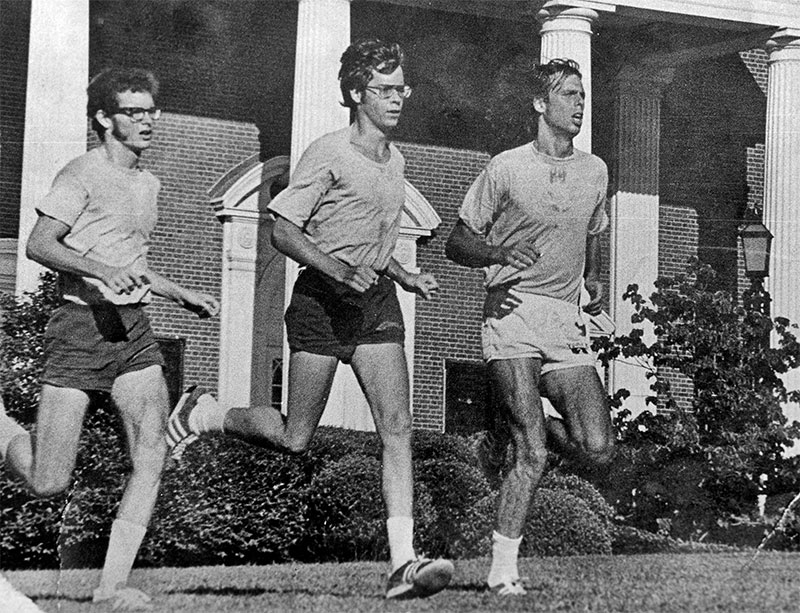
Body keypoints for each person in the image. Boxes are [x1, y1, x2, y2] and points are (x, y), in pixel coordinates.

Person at [166, 38, 453, 600]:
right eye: (386, 90)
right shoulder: (327, 152)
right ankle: (205, 414)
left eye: (403, 89)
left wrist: (403, 274)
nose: (398, 99)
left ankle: (403, 563)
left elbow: (370, 237)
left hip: (374, 308)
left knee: (396, 429)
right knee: (296, 438)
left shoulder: (395, 160)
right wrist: (339, 272)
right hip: (321, 304)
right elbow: (284, 230)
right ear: (355, 93)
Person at [0, 68, 220, 610]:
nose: (148, 120)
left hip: (133, 333)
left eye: (151, 110)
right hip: (80, 330)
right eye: (134, 111)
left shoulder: (149, 183)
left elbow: (131, 262)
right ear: (104, 117)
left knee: (151, 454)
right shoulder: (81, 173)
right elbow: (39, 244)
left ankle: (110, 587)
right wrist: (98, 269)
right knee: (49, 480)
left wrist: (176, 291)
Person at [445, 58, 615, 596]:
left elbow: (594, 234)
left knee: (598, 447)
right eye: (568, 95)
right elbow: (456, 241)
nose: (579, 105)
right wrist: (497, 251)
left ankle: (524, 421)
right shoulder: (506, 168)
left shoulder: (596, 171)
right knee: (532, 453)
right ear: (541, 104)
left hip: (565, 319)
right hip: (512, 311)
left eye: (582, 95)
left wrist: (595, 279)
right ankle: (502, 572)